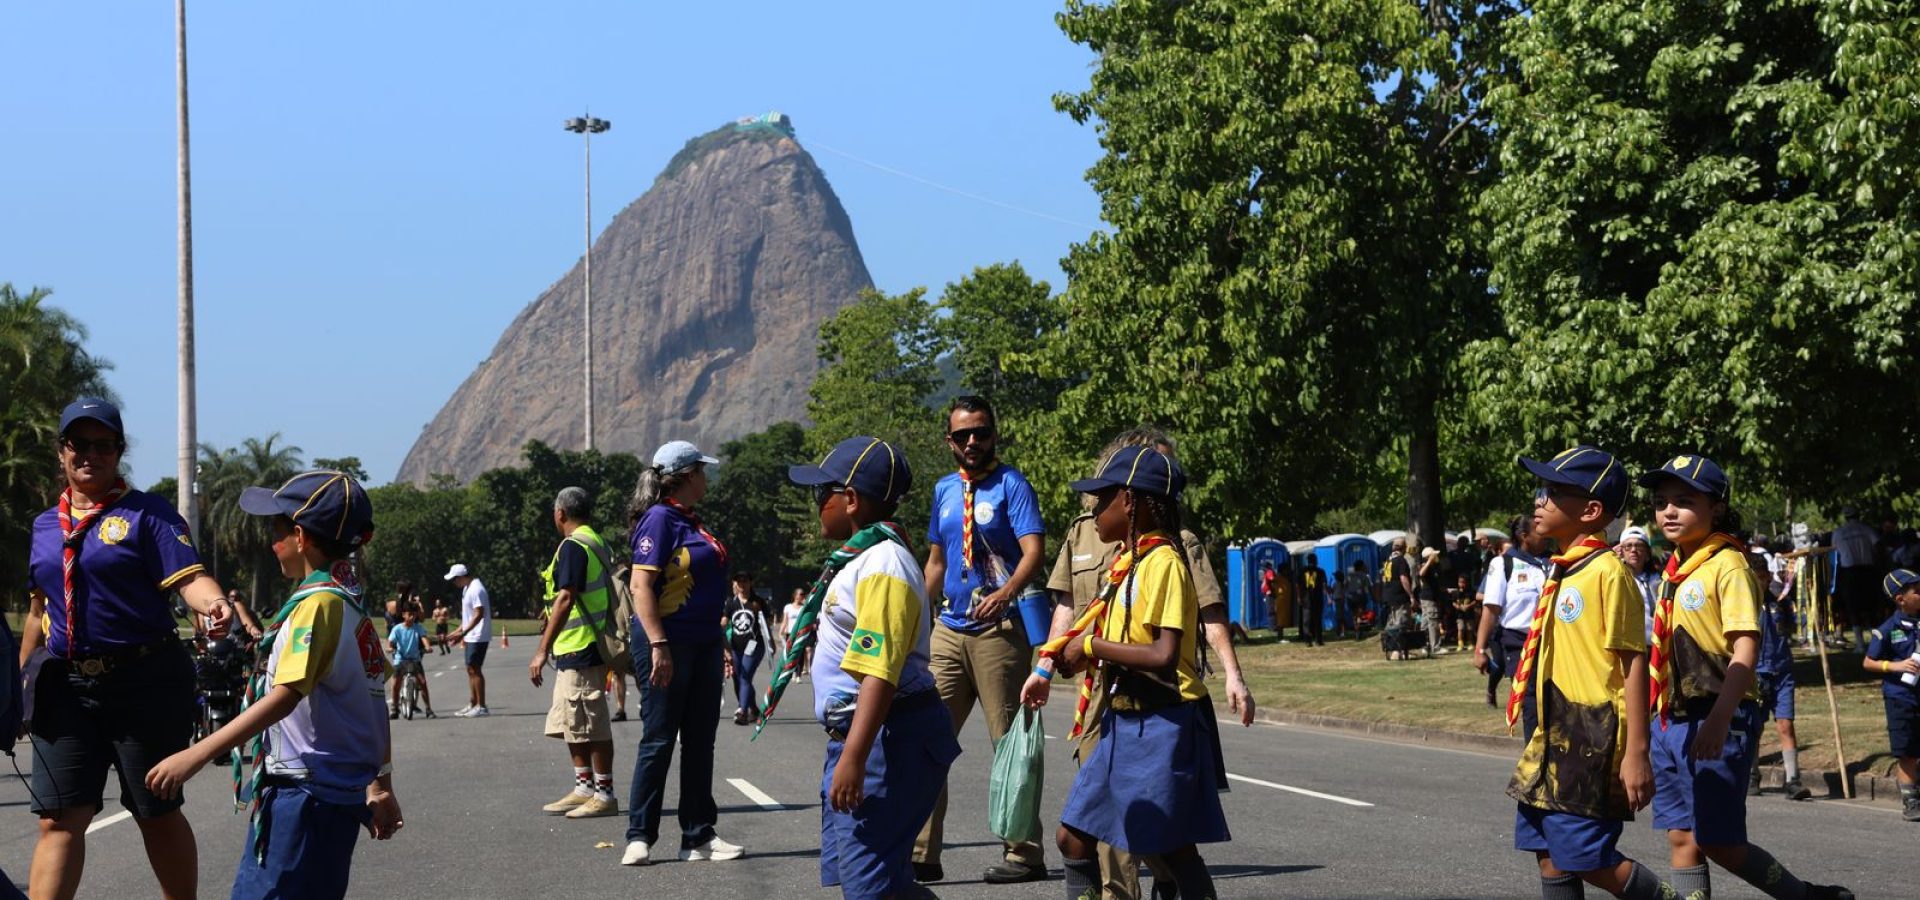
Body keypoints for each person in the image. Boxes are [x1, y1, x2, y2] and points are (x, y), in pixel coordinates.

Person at [144, 469, 400, 899]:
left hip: (304, 796)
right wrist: (380, 785)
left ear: (300, 536)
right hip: (331, 795)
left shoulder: (317, 606)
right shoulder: (348, 603)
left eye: (276, 530)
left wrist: (197, 753)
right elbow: (373, 701)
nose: (270, 541)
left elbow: (285, 697)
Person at [20, 397, 235, 900]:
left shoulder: (148, 514)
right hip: (66, 687)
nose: (89, 455)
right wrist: (18, 680)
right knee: (58, 819)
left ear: (119, 452)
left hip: (144, 683)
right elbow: (38, 611)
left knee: (155, 812)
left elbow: (191, 579)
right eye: (79, 444)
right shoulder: (44, 526)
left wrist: (217, 604)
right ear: (61, 452)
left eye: (103, 445)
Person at [1028, 428, 1255, 899]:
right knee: (1073, 836)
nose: (1093, 508)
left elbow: (1164, 655)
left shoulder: (1165, 562)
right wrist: (1057, 660)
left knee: (1171, 849)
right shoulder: (1130, 562)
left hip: (1163, 719)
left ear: (1130, 501)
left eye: (1102, 498)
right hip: (1120, 717)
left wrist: (1090, 649)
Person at [1641, 454, 1851, 900]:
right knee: (1681, 837)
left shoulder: (1727, 564)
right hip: (1672, 720)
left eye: (1684, 500)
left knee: (1719, 840)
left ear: (1716, 506)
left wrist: (1720, 718)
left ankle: (1804, 895)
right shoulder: (1674, 570)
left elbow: (1746, 648)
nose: (1668, 512)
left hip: (1718, 715)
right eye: (1661, 502)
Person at [787, 436, 960, 899]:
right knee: (882, 881)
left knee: (871, 888)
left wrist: (854, 758)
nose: (817, 503)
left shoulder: (884, 564)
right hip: (871, 735)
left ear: (851, 499)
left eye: (822, 492)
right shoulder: (864, 558)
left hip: (890, 737)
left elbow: (880, 673)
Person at [1505, 445, 1665, 900]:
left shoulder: (1608, 573)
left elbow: (1635, 662)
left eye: (1554, 492)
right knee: (1547, 849)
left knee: (1585, 857)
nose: (1540, 500)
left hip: (1590, 736)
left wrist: (1637, 752)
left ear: (1592, 510)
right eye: (1541, 489)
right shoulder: (1564, 571)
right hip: (1550, 731)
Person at [915, 396, 1048, 884]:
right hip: (949, 631)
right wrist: (915, 617)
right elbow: (936, 562)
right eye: (963, 435)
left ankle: (1024, 853)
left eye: (982, 432)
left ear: (994, 434)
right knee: (927, 741)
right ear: (949, 441)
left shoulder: (1012, 484)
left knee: (1010, 744)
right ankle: (922, 853)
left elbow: (1034, 550)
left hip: (1000, 631)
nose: (973, 442)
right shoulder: (944, 490)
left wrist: (1007, 592)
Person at [622, 440, 743, 866]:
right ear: (687, 476)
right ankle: (639, 835)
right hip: (667, 642)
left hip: (705, 642)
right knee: (658, 739)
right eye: (702, 471)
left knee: (699, 741)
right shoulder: (659, 519)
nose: (706, 479)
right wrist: (658, 644)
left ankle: (697, 836)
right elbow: (641, 587)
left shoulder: (691, 521)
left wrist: (721, 641)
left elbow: (706, 590)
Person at [530, 486, 622, 820]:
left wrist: (541, 651)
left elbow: (567, 597)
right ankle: (585, 787)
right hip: (580, 645)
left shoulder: (574, 545)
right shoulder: (596, 540)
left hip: (583, 644)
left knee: (591, 721)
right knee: (574, 720)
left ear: (560, 514)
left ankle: (605, 793)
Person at [1476, 513, 1550, 721]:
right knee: (1532, 705)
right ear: (1524, 536)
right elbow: (1490, 610)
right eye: (1539, 532)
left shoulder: (1555, 561)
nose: (1545, 535)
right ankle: (1532, 753)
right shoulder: (1503, 564)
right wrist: (1480, 650)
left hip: (1554, 644)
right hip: (1520, 643)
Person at [1751, 549, 1811, 802]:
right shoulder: (1742, 607)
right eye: (1756, 578)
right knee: (1755, 727)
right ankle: (1752, 774)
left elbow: (1796, 624)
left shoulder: (1780, 602)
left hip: (1782, 671)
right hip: (1755, 674)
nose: (1761, 582)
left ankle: (1793, 779)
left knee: (1786, 724)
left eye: (1764, 577)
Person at [1865, 569, 1920, 821]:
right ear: (1901, 599)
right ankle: (1910, 800)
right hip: (1901, 697)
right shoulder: (1887, 629)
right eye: (1917, 591)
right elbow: (1868, 662)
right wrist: (1895, 666)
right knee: (1907, 750)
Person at [443, 563, 492, 716]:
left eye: (455, 579)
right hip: (471, 635)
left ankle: (481, 706)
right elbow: (467, 619)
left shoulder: (476, 589)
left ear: (462, 577)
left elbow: (478, 614)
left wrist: (463, 634)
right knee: (470, 669)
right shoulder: (467, 589)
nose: (454, 582)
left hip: (478, 635)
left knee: (475, 668)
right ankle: (473, 703)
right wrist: (455, 634)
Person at [725, 573, 774, 725]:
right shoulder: (731, 603)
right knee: (738, 679)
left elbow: (767, 625)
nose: (742, 585)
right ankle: (753, 709)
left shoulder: (758, 602)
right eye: (739, 582)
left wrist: (771, 643)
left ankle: (742, 711)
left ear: (750, 583)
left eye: (745, 581)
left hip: (754, 646)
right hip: (735, 647)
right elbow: (724, 621)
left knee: (745, 677)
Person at [1831, 508, 1880, 650]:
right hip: (1867, 570)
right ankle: (1876, 642)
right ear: (1859, 515)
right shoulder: (1867, 529)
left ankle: (1860, 644)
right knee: (1871, 607)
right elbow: (1877, 545)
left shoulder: (1839, 532)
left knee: (1853, 608)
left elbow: (1836, 553)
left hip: (1849, 571)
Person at [388, 605, 434, 719]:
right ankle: (394, 708)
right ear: (404, 615)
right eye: (410, 614)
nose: (412, 617)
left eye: (414, 614)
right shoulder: (397, 629)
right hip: (401, 659)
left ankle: (429, 709)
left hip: (414, 659)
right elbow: (390, 643)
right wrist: (390, 648)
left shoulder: (418, 627)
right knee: (395, 684)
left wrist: (427, 647)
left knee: (422, 683)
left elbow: (424, 638)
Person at [1418, 546, 1446, 656]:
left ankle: (1426, 645)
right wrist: (1429, 561)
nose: (1436, 557)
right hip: (1428, 598)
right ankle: (1435, 647)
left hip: (1432, 597)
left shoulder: (1435, 567)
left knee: (1426, 622)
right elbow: (1421, 574)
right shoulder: (1425, 566)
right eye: (1434, 555)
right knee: (1432, 622)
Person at [1299, 555, 1328, 647]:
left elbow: (1297, 585)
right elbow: (1324, 585)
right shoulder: (1320, 571)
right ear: (1316, 561)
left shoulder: (1302, 571)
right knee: (1317, 619)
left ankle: (1308, 640)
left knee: (1307, 620)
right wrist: (1327, 595)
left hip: (1306, 598)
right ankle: (1318, 640)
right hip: (1316, 598)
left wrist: (1299, 597)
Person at [1449, 573, 1477, 654]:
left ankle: (1470, 642)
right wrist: (1458, 606)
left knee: (1469, 629)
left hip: (1469, 614)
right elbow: (1453, 602)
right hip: (1459, 615)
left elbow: (1475, 601)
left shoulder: (1471, 592)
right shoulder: (1455, 593)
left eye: (1463, 582)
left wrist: (1469, 606)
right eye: (1460, 582)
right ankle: (1460, 643)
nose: (1461, 584)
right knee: (1460, 629)